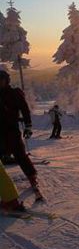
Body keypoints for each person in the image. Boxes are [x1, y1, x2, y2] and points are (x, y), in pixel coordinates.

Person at [0, 68, 43, 201]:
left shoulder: (14, 93)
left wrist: (28, 125)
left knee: (20, 154)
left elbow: (24, 109)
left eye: (1, 80)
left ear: (7, 81)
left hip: (12, 130)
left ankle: (31, 176)